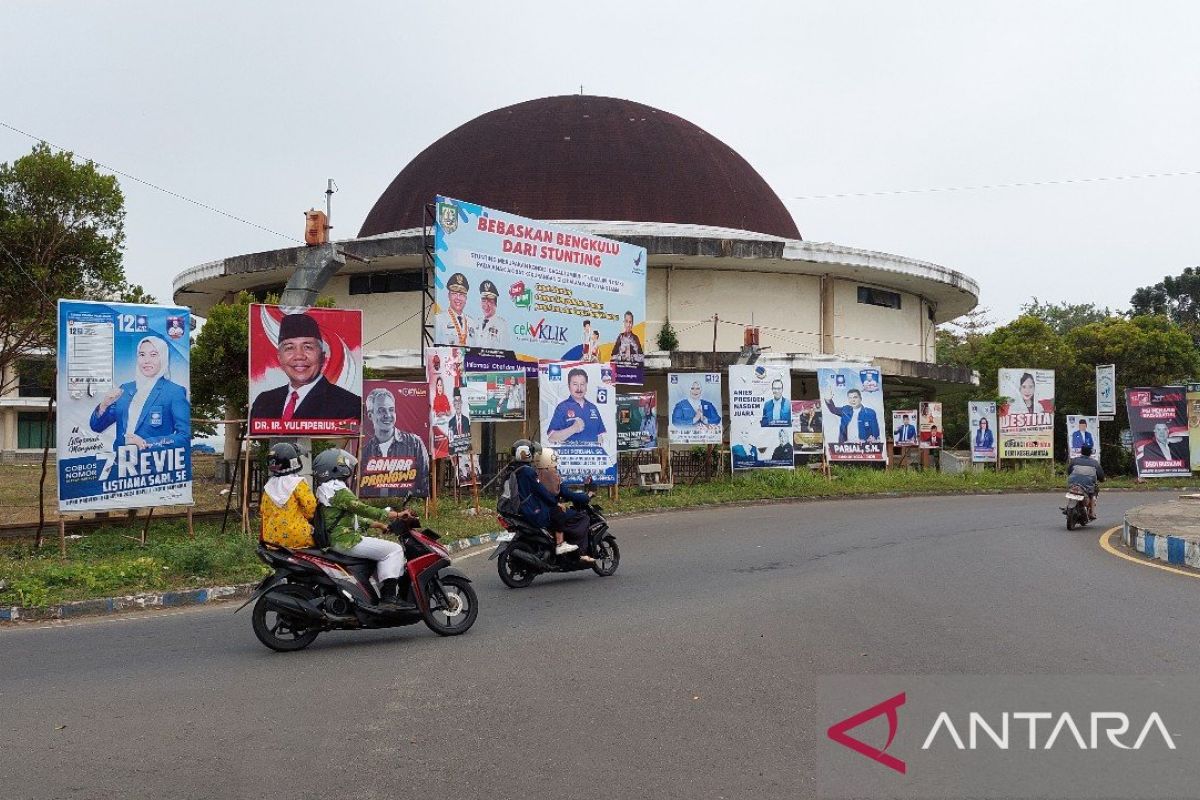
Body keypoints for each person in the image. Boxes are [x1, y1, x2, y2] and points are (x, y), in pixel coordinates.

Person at [312, 448, 415, 611]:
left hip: (338, 539)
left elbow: (353, 518)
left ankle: (378, 595)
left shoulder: (327, 491)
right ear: (335, 468)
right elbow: (363, 509)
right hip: (346, 541)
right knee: (394, 550)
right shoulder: (337, 491)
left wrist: (379, 525)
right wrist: (395, 514)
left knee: (379, 554)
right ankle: (389, 598)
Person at [250, 312, 362, 423]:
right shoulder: (264, 402)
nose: (299, 356)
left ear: (322, 357)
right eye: (289, 348)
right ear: (280, 358)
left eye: (307, 347)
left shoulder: (348, 404)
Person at [90, 335, 190, 450]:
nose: (146, 361)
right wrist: (104, 405)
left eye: (153, 355)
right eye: (142, 355)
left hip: (153, 464)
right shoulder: (125, 389)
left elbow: (184, 436)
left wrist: (146, 443)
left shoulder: (174, 392)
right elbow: (96, 427)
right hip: (120, 464)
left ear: (163, 357)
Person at [360, 387, 430, 497]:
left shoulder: (415, 444)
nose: (387, 415)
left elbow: (424, 484)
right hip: (376, 512)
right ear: (370, 415)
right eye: (381, 410)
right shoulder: (364, 452)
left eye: (391, 409)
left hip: (407, 510)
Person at [532, 448, 595, 561]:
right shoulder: (550, 475)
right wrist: (587, 496)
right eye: (555, 466)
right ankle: (580, 552)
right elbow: (567, 493)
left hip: (536, 511)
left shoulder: (534, 475)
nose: (556, 469)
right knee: (583, 518)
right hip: (550, 513)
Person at [260, 442, 317, 549]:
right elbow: (311, 509)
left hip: (271, 540)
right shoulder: (297, 483)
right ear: (293, 462)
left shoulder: (268, 486)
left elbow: (263, 511)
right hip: (297, 538)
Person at [546, 368, 607, 445]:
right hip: (571, 456)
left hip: (591, 455)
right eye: (575, 384)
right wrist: (573, 429)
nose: (579, 388)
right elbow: (551, 438)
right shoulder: (562, 407)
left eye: (582, 384)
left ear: (586, 385)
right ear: (569, 386)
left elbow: (599, 437)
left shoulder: (593, 408)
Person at [823, 377, 880, 443]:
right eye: (850, 398)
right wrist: (828, 399)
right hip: (845, 447)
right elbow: (833, 410)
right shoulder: (845, 410)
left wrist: (874, 439)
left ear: (860, 398)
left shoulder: (870, 413)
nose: (853, 400)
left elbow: (875, 432)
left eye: (855, 397)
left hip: (863, 448)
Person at [434, 272, 476, 347]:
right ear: (449, 296)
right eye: (454, 293)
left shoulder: (472, 323)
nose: (458, 298)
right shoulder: (439, 320)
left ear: (466, 298)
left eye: (462, 295)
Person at [1067, 444, 1105, 520]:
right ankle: (1092, 512)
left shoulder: (1074, 460)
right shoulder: (1095, 463)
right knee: (1094, 493)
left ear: (1081, 451)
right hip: (1087, 487)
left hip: (1072, 484)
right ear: (1090, 452)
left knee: (1072, 491)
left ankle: (1068, 507)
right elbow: (1101, 476)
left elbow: (1069, 471)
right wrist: (1102, 480)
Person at [470, 279, 509, 349]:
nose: (486, 305)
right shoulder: (476, 322)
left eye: (490, 301)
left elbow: (504, 351)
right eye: (484, 301)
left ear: (495, 304)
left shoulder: (501, 325)